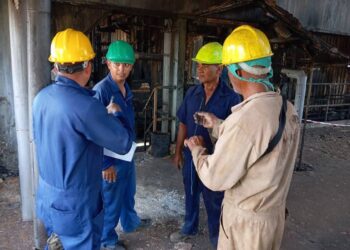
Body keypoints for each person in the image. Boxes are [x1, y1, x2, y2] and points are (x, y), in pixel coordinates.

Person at [184, 25, 300, 250]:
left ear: (237, 71)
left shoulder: (245, 119)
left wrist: (197, 150)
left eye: (228, 67)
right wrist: (218, 125)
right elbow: (259, 142)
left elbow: (215, 178)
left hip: (246, 226)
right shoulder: (287, 108)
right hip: (272, 218)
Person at [33, 28, 133, 250]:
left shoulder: (41, 99)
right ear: (88, 66)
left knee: (56, 243)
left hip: (48, 196)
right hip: (76, 205)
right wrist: (116, 113)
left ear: (56, 66)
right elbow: (123, 143)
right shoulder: (86, 107)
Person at [170, 42, 241, 248]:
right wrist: (178, 153)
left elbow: (234, 134)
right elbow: (183, 121)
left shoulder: (231, 98)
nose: (199, 69)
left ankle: (216, 238)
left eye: (205, 65)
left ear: (219, 69)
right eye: (198, 65)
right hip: (191, 155)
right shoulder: (193, 93)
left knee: (214, 199)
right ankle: (189, 226)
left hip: (215, 159)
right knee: (190, 190)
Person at [93, 40, 151, 250]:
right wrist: (105, 164)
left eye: (126, 65)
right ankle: (107, 241)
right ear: (108, 64)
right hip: (111, 160)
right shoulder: (101, 91)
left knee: (128, 192)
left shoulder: (126, 88)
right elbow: (94, 133)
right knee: (110, 202)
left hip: (127, 154)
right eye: (117, 64)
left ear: (131, 67)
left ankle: (130, 222)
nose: (121, 69)